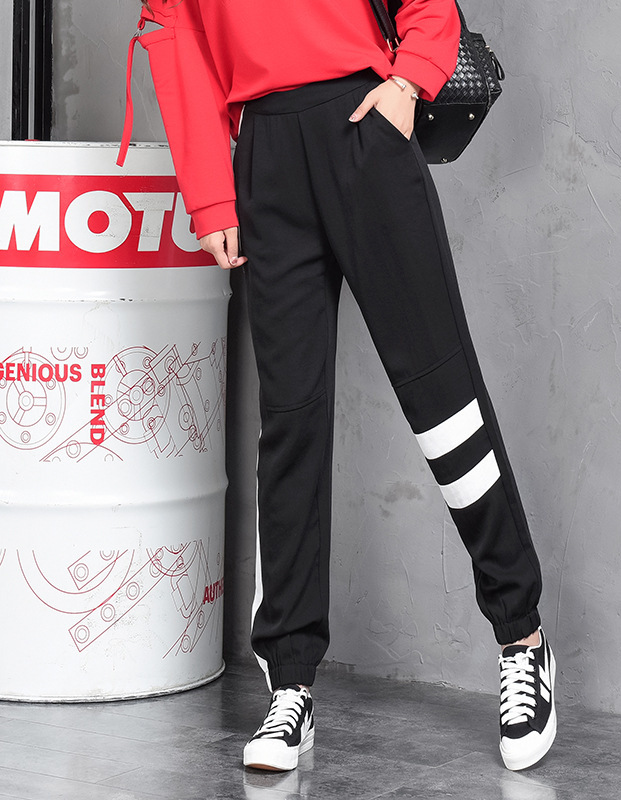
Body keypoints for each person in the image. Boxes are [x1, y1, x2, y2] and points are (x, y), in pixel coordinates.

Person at [123, 0, 556, 774]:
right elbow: (177, 37)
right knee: (289, 423)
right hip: (265, 153)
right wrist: (210, 192)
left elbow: (427, 7)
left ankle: (522, 635)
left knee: (443, 403)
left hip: (364, 127)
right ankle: (290, 683)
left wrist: (407, 83)